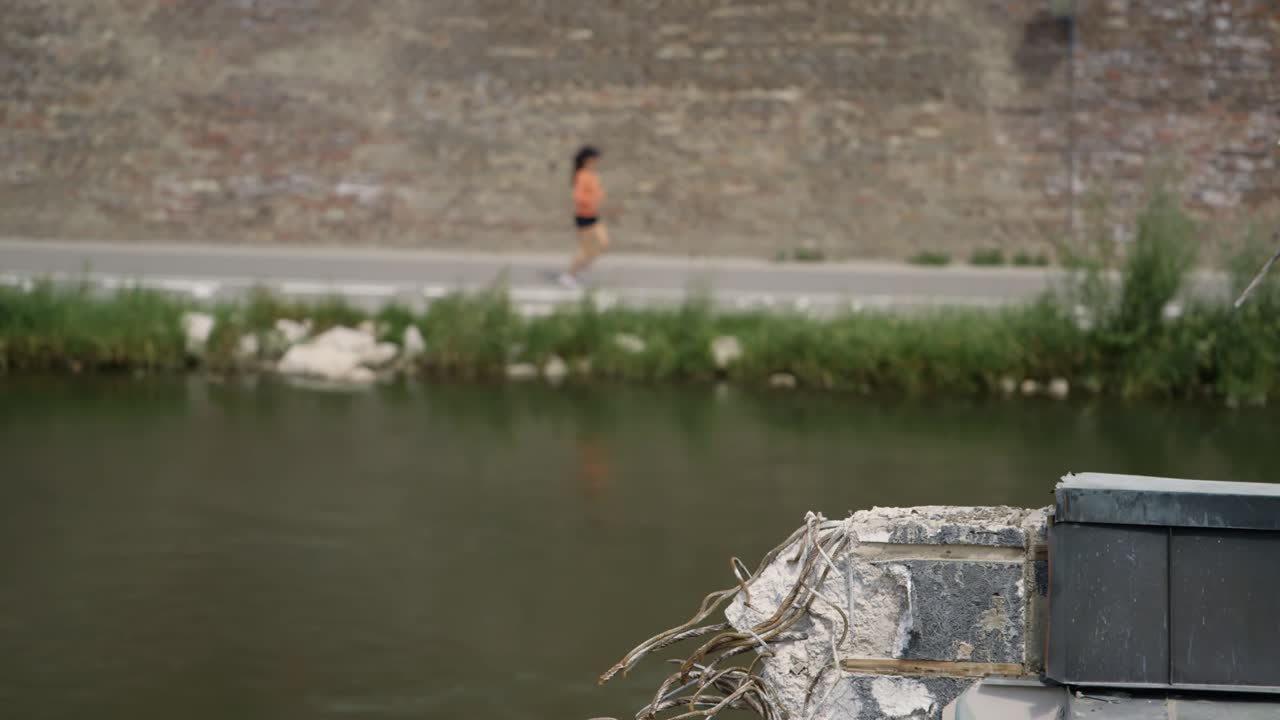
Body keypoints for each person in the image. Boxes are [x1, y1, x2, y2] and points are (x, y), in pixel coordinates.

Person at [559, 145, 609, 288]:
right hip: (583, 216)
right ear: (587, 160)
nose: (596, 163)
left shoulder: (592, 175)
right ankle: (568, 275)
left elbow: (596, 192)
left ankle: (583, 267)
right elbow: (579, 197)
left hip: (594, 215)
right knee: (585, 249)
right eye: (594, 160)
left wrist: (599, 195)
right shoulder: (581, 175)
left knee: (604, 243)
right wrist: (592, 199)